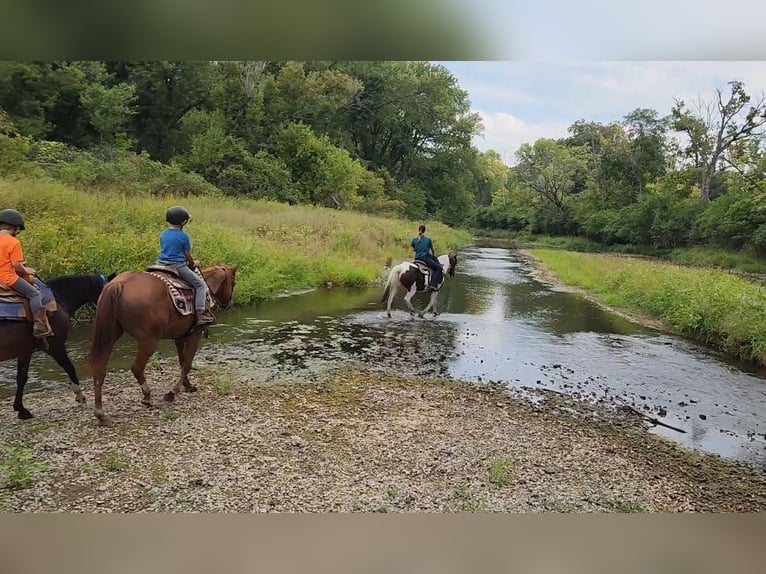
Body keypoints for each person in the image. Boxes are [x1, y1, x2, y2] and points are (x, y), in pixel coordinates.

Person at [156, 205, 215, 326]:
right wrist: (194, 263)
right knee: (200, 285)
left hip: (160, 265)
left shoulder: (163, 234)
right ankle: (200, 314)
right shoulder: (183, 236)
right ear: (183, 221)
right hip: (177, 266)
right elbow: (187, 255)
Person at [0, 208, 54, 338]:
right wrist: (27, 270)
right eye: (18, 229)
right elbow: (15, 264)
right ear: (14, 227)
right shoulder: (13, 242)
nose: (18, 232)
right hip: (7, 278)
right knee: (34, 294)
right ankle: (39, 326)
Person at [411, 224, 442, 290]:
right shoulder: (428, 239)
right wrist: (433, 254)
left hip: (417, 258)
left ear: (418, 230)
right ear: (424, 231)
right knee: (439, 268)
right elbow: (432, 250)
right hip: (425, 257)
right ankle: (433, 284)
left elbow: (413, 250)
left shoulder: (414, 239)